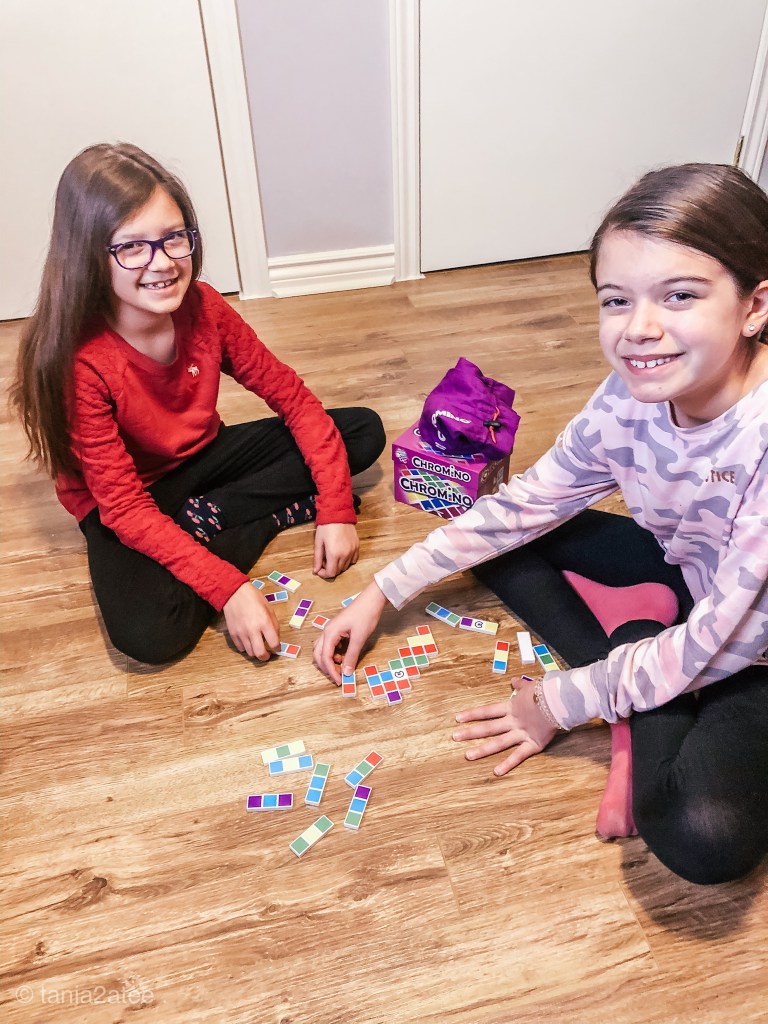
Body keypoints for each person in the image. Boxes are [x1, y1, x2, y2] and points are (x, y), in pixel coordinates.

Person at [315, 163, 768, 885]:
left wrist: (559, 702)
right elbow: (526, 505)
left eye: (680, 295)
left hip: (753, 648)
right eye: (616, 300)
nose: (640, 330)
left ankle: (629, 676)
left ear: (754, 306)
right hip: (694, 578)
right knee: (497, 527)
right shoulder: (630, 393)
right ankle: (635, 666)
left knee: (702, 835)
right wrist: (381, 589)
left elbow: (725, 641)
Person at [10, 142, 385, 665]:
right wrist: (230, 589)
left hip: (205, 457)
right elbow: (124, 510)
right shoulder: (80, 362)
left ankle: (214, 514)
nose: (161, 263)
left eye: (173, 239)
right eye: (132, 248)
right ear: (88, 257)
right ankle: (255, 519)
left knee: (362, 432)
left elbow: (294, 399)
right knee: (150, 636)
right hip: (125, 500)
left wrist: (337, 510)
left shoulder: (205, 307)